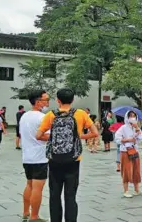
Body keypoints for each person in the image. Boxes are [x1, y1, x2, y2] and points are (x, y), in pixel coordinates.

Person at [36, 88, 99, 222]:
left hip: (54, 160)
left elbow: (38, 135)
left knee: (54, 195)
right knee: (70, 196)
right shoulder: (81, 114)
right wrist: (77, 137)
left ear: (58, 100)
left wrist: (54, 138)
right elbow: (95, 133)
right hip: (73, 159)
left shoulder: (50, 115)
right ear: (73, 100)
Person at [20, 90, 51, 222]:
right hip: (39, 156)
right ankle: (34, 217)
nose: (48, 102)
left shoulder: (24, 116)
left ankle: (26, 212)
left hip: (27, 156)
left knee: (29, 185)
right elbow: (43, 136)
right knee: (38, 188)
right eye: (46, 99)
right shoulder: (42, 117)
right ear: (38, 102)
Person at [115, 111, 142, 198]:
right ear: (127, 117)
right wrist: (127, 139)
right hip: (125, 151)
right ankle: (126, 190)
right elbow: (117, 139)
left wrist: (137, 128)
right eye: (131, 116)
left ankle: (137, 190)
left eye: (134, 116)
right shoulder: (123, 128)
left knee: (136, 169)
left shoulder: (136, 127)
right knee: (126, 169)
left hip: (134, 150)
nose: (132, 117)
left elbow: (141, 138)